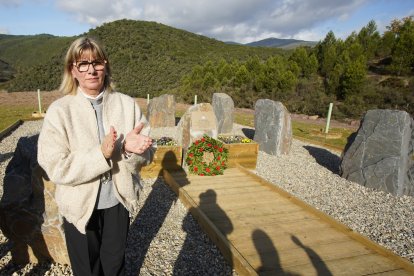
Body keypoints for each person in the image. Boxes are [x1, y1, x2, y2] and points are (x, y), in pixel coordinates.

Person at [37, 37, 153, 276]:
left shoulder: (127, 105)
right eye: (83, 64)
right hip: (79, 206)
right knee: (87, 270)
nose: (91, 69)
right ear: (73, 70)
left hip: (118, 203)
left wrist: (130, 151)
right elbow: (54, 166)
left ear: (105, 66)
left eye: (97, 62)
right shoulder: (60, 111)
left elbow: (148, 153)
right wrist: (100, 155)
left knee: (114, 267)